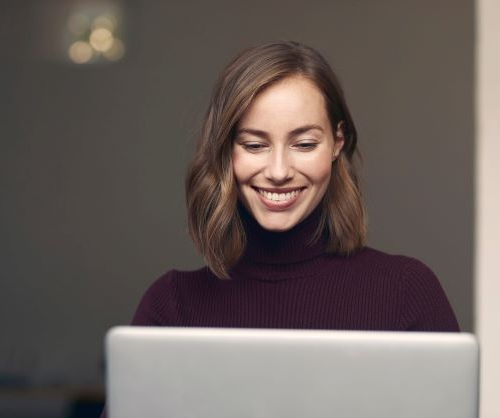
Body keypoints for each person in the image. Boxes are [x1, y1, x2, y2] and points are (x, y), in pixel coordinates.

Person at [130, 41, 459, 332]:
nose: (278, 171)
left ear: (336, 143)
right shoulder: (172, 306)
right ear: (225, 150)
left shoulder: (406, 292)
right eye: (254, 145)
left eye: (303, 144)